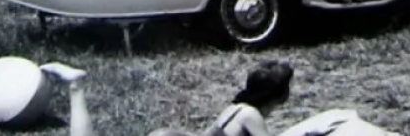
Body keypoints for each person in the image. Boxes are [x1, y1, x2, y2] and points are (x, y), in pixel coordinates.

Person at [41, 60, 295, 136]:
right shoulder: (250, 115)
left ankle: (76, 88)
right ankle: (75, 86)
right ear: (281, 95)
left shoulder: (237, 108)